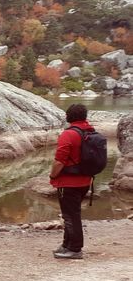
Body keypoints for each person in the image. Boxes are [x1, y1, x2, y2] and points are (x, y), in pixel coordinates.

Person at [49, 104, 94, 259]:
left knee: (70, 216)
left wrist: (52, 176)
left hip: (68, 182)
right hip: (85, 181)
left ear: (69, 116)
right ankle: (66, 245)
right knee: (71, 214)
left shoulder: (68, 134)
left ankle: (75, 249)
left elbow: (59, 161)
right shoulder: (90, 132)